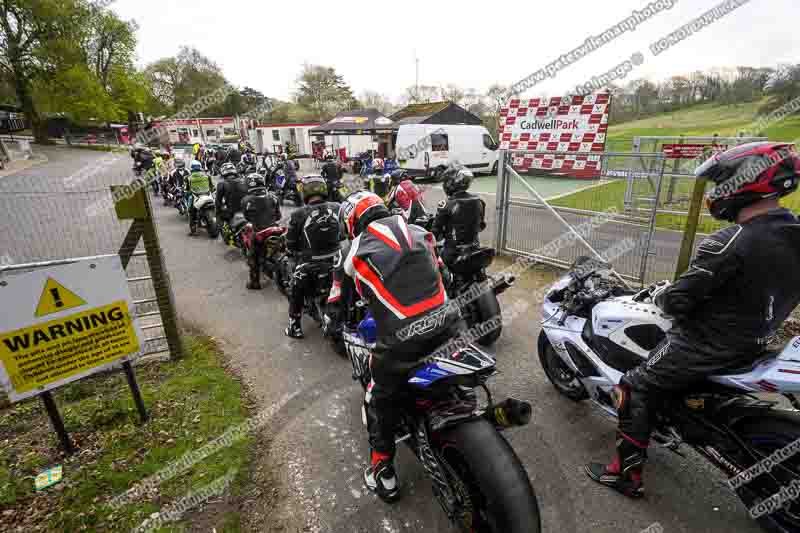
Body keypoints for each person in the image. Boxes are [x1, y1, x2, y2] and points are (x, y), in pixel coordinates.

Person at [586, 141, 800, 498]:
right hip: (760, 339)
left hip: (707, 344)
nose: (717, 193)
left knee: (633, 386)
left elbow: (677, 302)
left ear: (746, 181)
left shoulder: (730, 241)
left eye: (723, 183)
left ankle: (626, 474)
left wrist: (662, 294)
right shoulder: (794, 233)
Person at [325, 190, 458, 502]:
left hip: (402, 345)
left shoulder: (351, 250)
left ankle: (382, 468)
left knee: (377, 396)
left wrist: (333, 324)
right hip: (452, 325)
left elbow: (335, 303)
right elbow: (446, 276)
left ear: (350, 221)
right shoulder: (421, 233)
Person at [284, 175, 341, 338]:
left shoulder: (298, 214)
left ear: (305, 192)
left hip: (311, 265)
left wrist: (292, 249)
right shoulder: (337, 207)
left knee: (296, 288)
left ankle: (294, 326)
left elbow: (291, 243)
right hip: (338, 261)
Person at [432, 163, 486, 267]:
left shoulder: (446, 204)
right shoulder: (479, 201)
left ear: (450, 183)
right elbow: (481, 226)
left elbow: (435, 233)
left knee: (433, 265)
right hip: (475, 248)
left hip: (453, 253)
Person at [242, 174, 282, 290]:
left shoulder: (246, 200)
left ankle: (255, 282)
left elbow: (247, 217)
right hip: (275, 229)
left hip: (259, 233)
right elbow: (278, 216)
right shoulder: (274, 197)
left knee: (252, 257)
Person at [215, 162, 249, 243]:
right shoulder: (244, 180)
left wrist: (218, 210)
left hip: (232, 211)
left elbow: (218, 201)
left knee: (218, 213)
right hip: (247, 209)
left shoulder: (222, 184)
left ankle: (224, 234)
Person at [186, 160, 215, 235]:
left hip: (197, 197)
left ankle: (193, 230)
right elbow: (212, 187)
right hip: (208, 195)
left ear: (191, 168)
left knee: (191, 211)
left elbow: (187, 189)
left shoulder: (188, 177)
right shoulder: (207, 175)